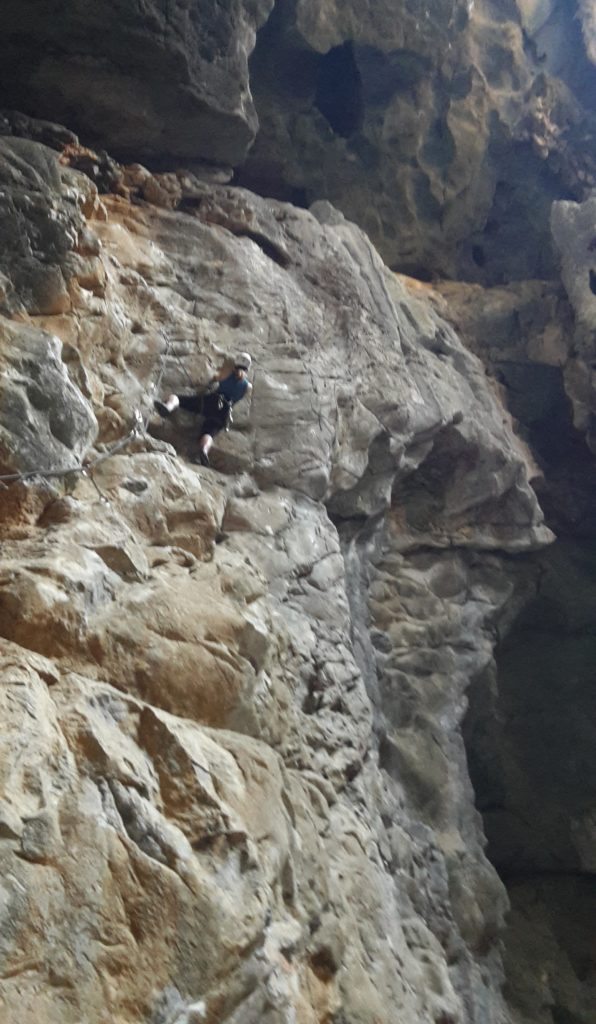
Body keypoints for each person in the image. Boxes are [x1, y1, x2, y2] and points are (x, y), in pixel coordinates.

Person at [154, 352, 253, 466]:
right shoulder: (248, 386)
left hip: (211, 401)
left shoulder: (227, 374)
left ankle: (168, 407)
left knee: (179, 399)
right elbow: (237, 398)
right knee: (209, 433)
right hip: (224, 411)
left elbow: (215, 378)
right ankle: (204, 451)